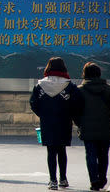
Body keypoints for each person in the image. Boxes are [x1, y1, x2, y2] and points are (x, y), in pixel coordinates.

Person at [30, 57, 83, 190]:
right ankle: (63, 179)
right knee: (62, 150)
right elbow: (77, 103)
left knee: (51, 151)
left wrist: (43, 115)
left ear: (48, 67)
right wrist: (71, 116)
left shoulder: (39, 85)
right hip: (64, 121)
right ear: (63, 68)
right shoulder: (70, 86)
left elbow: (33, 103)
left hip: (47, 122)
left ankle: (52, 180)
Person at [75, 62, 110, 191]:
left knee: (90, 154)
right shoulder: (108, 89)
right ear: (99, 74)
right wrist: (108, 118)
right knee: (103, 155)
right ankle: (102, 179)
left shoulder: (80, 90)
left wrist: (80, 122)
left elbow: (75, 110)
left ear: (85, 74)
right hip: (106, 127)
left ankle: (94, 181)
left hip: (87, 127)